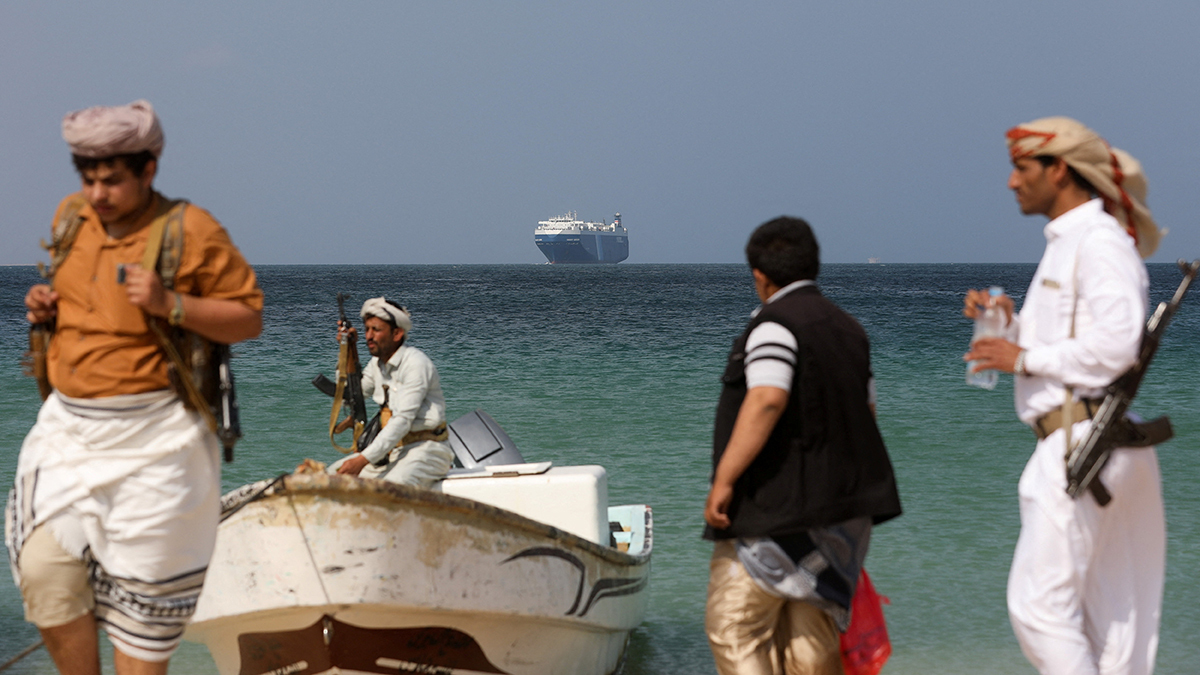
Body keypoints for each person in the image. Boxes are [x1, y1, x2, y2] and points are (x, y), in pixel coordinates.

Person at [5, 100, 263, 674]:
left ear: (148, 170)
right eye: (90, 179)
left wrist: (171, 303)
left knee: (145, 608)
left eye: (112, 181)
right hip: (69, 433)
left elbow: (248, 317)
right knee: (43, 572)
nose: (98, 194)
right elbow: (81, 297)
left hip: (160, 440)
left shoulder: (190, 229)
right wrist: (44, 307)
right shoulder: (71, 217)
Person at [964, 117, 1166, 675]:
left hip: (1084, 444)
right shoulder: (1073, 243)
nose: (1011, 182)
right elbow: (1075, 338)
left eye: (1021, 168)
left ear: (1058, 170)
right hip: (1098, 443)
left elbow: (1117, 344)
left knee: (1039, 609)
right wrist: (1009, 326)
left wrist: (1023, 359)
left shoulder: (1098, 242)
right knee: (1113, 620)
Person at [703, 217, 902, 675]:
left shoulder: (773, 324)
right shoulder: (850, 330)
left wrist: (724, 480)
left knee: (736, 629)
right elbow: (867, 415)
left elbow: (768, 399)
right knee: (811, 647)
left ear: (760, 275)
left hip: (773, 515)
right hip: (839, 523)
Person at [331, 297, 454, 487]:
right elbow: (350, 398)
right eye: (367, 330)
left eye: (376, 330)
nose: (369, 336)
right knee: (329, 478)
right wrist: (347, 350)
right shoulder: (376, 365)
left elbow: (402, 421)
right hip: (392, 453)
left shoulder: (415, 364)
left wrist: (362, 459)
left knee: (391, 489)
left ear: (397, 334)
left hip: (428, 451)